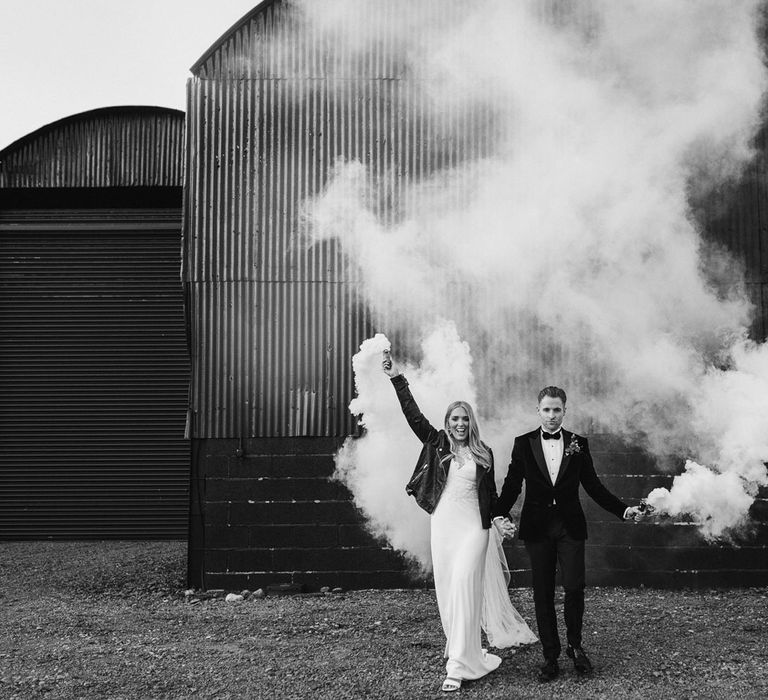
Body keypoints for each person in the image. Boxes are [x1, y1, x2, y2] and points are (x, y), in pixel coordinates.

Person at [382, 351, 537, 693]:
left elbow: (492, 498)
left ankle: (457, 667)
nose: (459, 424)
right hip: (444, 526)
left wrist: (501, 519)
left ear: (471, 422)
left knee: (467, 585)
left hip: (474, 529)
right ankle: (461, 650)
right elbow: (413, 416)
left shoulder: (483, 453)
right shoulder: (437, 443)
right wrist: (397, 378)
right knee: (450, 593)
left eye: (465, 419)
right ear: (448, 421)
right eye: (454, 418)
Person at [493, 385, 644, 682]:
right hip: (537, 528)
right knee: (543, 592)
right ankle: (550, 656)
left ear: (565, 410)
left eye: (557, 410)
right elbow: (512, 484)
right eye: (546, 410)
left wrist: (623, 510)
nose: (551, 415)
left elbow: (593, 485)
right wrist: (497, 513)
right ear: (538, 411)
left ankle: (575, 647)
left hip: (570, 526)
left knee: (574, 587)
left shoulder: (579, 443)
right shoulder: (523, 443)